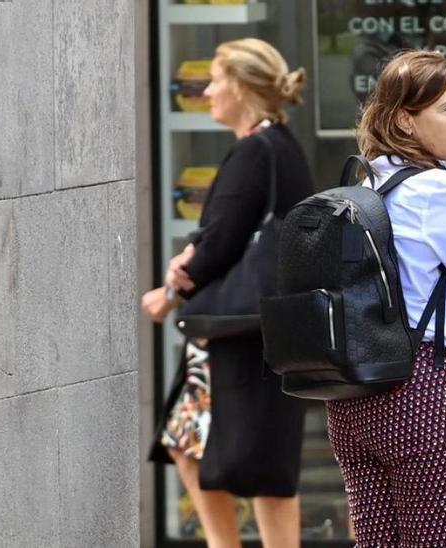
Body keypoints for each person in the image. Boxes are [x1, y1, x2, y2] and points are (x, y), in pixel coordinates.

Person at [324, 50, 446, 547]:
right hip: (424, 393)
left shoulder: (364, 185)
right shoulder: (439, 190)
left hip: (353, 402)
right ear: (405, 121)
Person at [141, 38, 311, 548]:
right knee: (229, 452)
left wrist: (171, 288)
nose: (208, 91)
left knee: (215, 449)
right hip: (265, 327)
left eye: (215, 80)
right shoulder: (282, 147)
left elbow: (219, 241)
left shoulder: (254, 152)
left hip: (234, 330)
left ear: (239, 86)